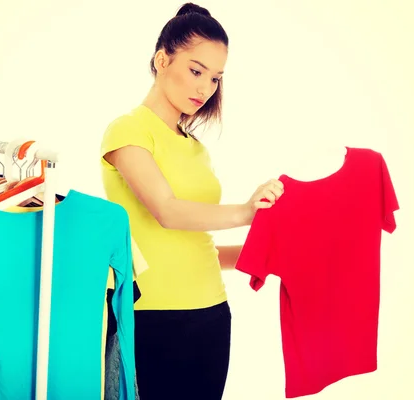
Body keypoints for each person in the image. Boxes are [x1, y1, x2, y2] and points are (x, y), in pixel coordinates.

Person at [100, 3, 284, 399]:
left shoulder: (195, 148)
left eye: (216, 78)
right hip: (152, 316)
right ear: (162, 59)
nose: (205, 88)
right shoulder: (127, 131)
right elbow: (166, 212)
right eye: (196, 71)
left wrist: (268, 251)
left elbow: (197, 247)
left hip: (213, 313)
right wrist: (247, 212)